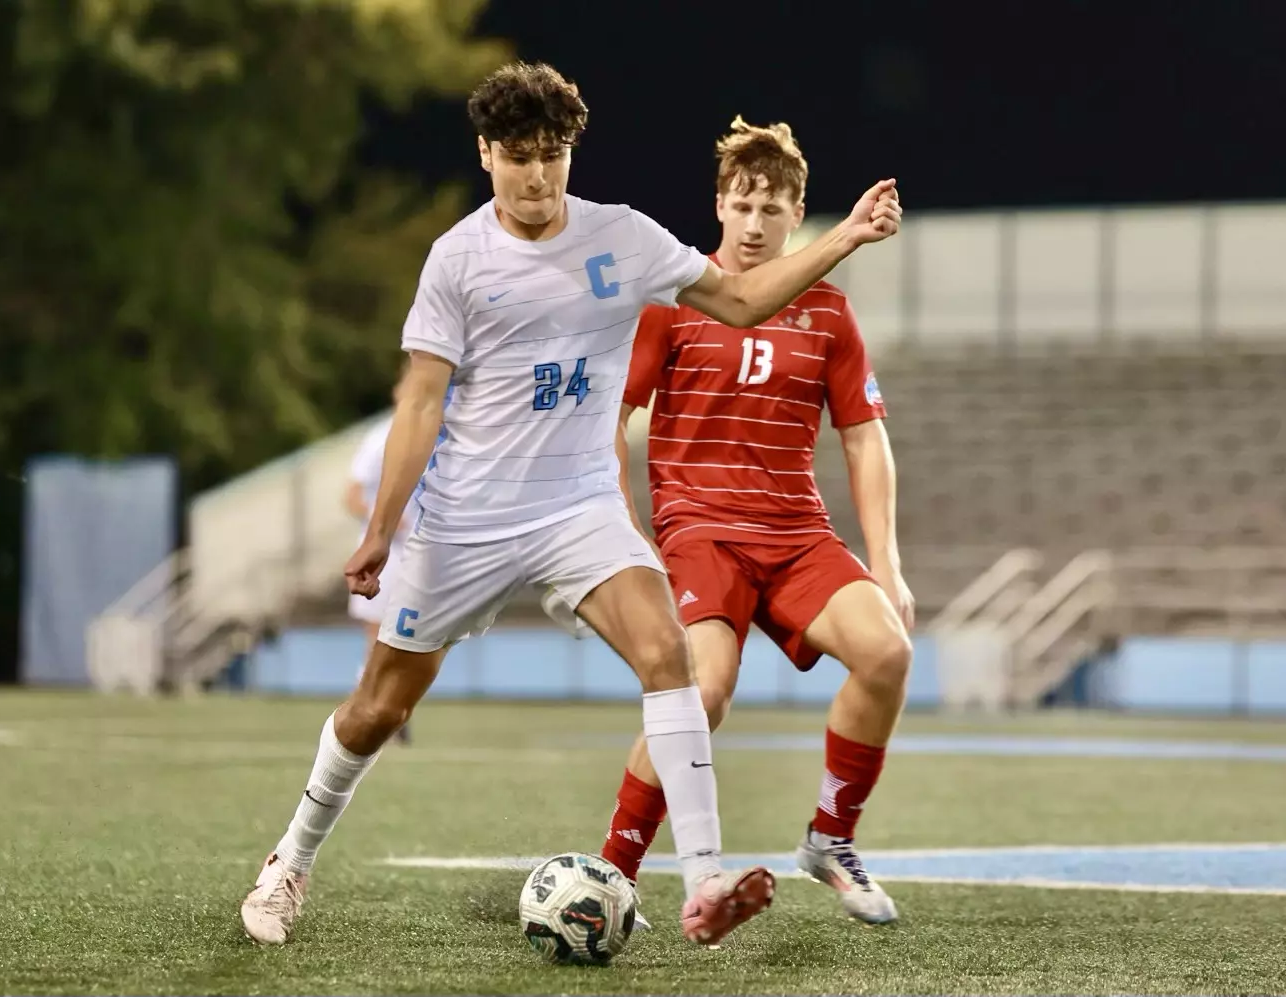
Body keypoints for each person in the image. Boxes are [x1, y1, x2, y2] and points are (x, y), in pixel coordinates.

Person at [238, 62, 902, 948]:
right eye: (519, 157)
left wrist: (846, 235)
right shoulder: (457, 260)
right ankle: (289, 862)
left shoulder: (622, 237)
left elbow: (742, 300)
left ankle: (703, 878)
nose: (538, 176)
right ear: (486, 154)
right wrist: (381, 530)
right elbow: (422, 401)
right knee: (379, 709)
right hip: (467, 517)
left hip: (576, 508)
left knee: (671, 657)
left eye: (552, 155)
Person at [598, 117, 915, 926]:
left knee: (886, 652)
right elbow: (613, 417)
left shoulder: (831, 315)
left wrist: (887, 561)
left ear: (794, 216)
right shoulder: (673, 302)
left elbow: (864, 435)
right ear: (717, 205)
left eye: (771, 209)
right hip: (699, 527)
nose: (753, 223)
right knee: (701, 691)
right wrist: (620, 528)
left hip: (796, 531)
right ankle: (615, 872)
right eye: (741, 204)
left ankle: (829, 838)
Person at [342, 385, 421, 745]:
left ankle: (390, 711)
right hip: (384, 554)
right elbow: (352, 495)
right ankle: (366, 714)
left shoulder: (437, 434)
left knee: (409, 640)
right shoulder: (381, 437)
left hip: (419, 554)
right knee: (376, 638)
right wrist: (386, 525)